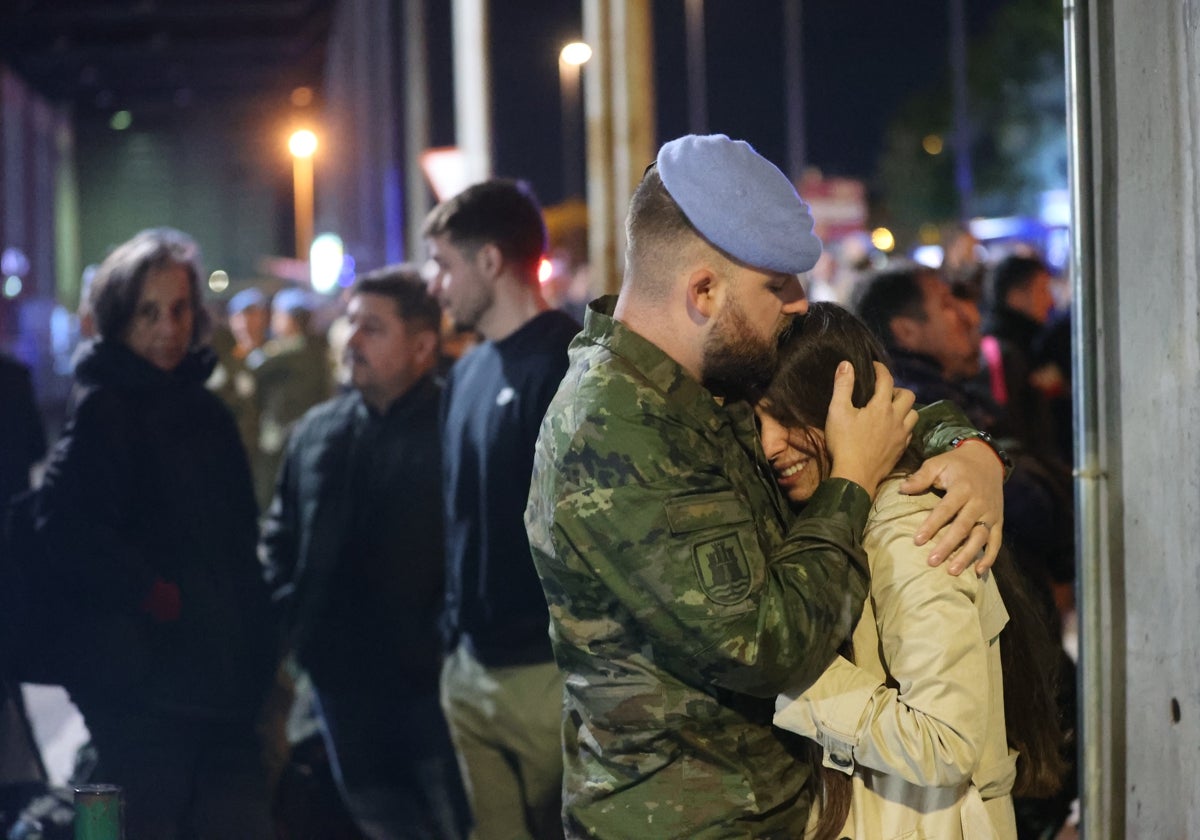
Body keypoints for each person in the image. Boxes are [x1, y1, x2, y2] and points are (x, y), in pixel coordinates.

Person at [525, 134, 1007, 838]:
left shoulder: (702, 379)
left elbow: (847, 401)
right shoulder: (615, 429)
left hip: (769, 808)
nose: (798, 303)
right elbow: (768, 647)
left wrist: (966, 449)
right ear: (703, 291)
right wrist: (852, 481)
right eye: (777, 285)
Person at [763, 303, 1066, 840]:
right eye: (757, 420)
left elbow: (944, 740)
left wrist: (792, 670)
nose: (770, 444)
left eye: (788, 416)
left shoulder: (907, 525)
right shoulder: (848, 515)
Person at [34, 227, 278, 838]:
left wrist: (255, 635)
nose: (168, 328)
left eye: (178, 309)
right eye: (148, 312)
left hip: (217, 680)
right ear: (119, 319)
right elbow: (65, 531)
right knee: (131, 816)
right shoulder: (106, 407)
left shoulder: (203, 406)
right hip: (141, 688)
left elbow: (234, 540)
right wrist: (156, 596)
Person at [261, 266, 470, 840]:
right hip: (342, 693)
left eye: (371, 328)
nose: (350, 340)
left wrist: (442, 643)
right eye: (350, 324)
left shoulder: (457, 427)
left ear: (423, 345)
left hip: (432, 698)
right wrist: (299, 627)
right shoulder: (317, 432)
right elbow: (280, 540)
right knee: (378, 824)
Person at [423, 179, 580, 840]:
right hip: (469, 669)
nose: (436, 285)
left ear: (490, 262)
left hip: (544, 678)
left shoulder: (567, 365)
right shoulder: (465, 372)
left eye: (444, 265)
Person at [248, 286, 334, 511]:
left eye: (278, 315)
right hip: (312, 439)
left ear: (291, 319)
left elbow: (253, 367)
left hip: (279, 440)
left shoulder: (282, 355)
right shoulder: (320, 352)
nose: (273, 321)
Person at [208, 287, 269, 459]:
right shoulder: (226, 364)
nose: (246, 323)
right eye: (240, 317)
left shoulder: (277, 357)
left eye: (253, 315)